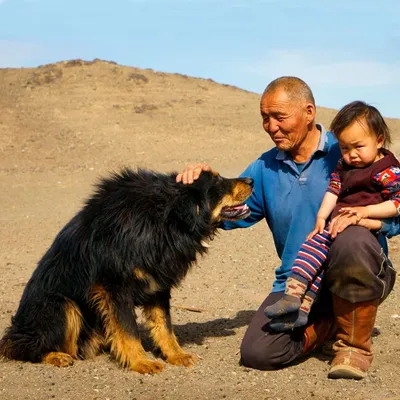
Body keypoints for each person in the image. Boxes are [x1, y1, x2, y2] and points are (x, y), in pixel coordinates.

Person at [176, 76, 398, 380]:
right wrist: (198, 189)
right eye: (265, 118)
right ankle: (328, 324)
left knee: (352, 238)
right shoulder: (263, 169)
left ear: (309, 112)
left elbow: (396, 208)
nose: (271, 126)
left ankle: (354, 346)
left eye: (279, 116)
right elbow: (227, 213)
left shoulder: (350, 147)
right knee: (258, 352)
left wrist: (366, 217)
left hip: (359, 273)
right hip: (299, 281)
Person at [264, 101, 400, 332]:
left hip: (362, 247)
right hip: (335, 226)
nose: (352, 155)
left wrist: (366, 213)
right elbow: (333, 191)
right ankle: (299, 305)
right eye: (345, 148)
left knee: (343, 247)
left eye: (358, 146)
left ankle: (351, 339)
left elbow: (397, 204)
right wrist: (321, 218)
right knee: (312, 253)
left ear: (379, 140)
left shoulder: (388, 170)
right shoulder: (343, 167)